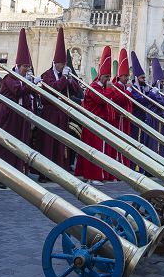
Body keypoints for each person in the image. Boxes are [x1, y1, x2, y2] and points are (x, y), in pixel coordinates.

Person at [0, 28, 35, 187]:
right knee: (6, 146)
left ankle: (17, 172)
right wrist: (31, 85)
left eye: (28, 67)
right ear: (18, 66)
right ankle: (2, 176)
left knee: (19, 144)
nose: (27, 70)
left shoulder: (22, 78)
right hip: (8, 115)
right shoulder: (10, 77)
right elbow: (19, 91)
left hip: (20, 116)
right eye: (25, 67)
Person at [37, 27, 81, 170]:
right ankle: (46, 171)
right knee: (49, 142)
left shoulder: (65, 75)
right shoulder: (47, 75)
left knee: (62, 142)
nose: (64, 66)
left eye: (65, 64)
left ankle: (61, 167)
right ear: (56, 63)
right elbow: (52, 88)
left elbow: (77, 91)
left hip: (63, 113)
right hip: (50, 112)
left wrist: (70, 79)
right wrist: (63, 79)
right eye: (62, 63)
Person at [75, 45, 117, 184]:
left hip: (101, 122)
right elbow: (100, 99)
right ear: (100, 76)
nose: (108, 79)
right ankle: (93, 176)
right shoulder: (93, 87)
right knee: (95, 149)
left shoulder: (102, 88)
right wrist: (111, 90)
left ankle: (98, 175)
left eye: (109, 77)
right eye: (106, 77)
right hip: (94, 122)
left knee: (100, 149)